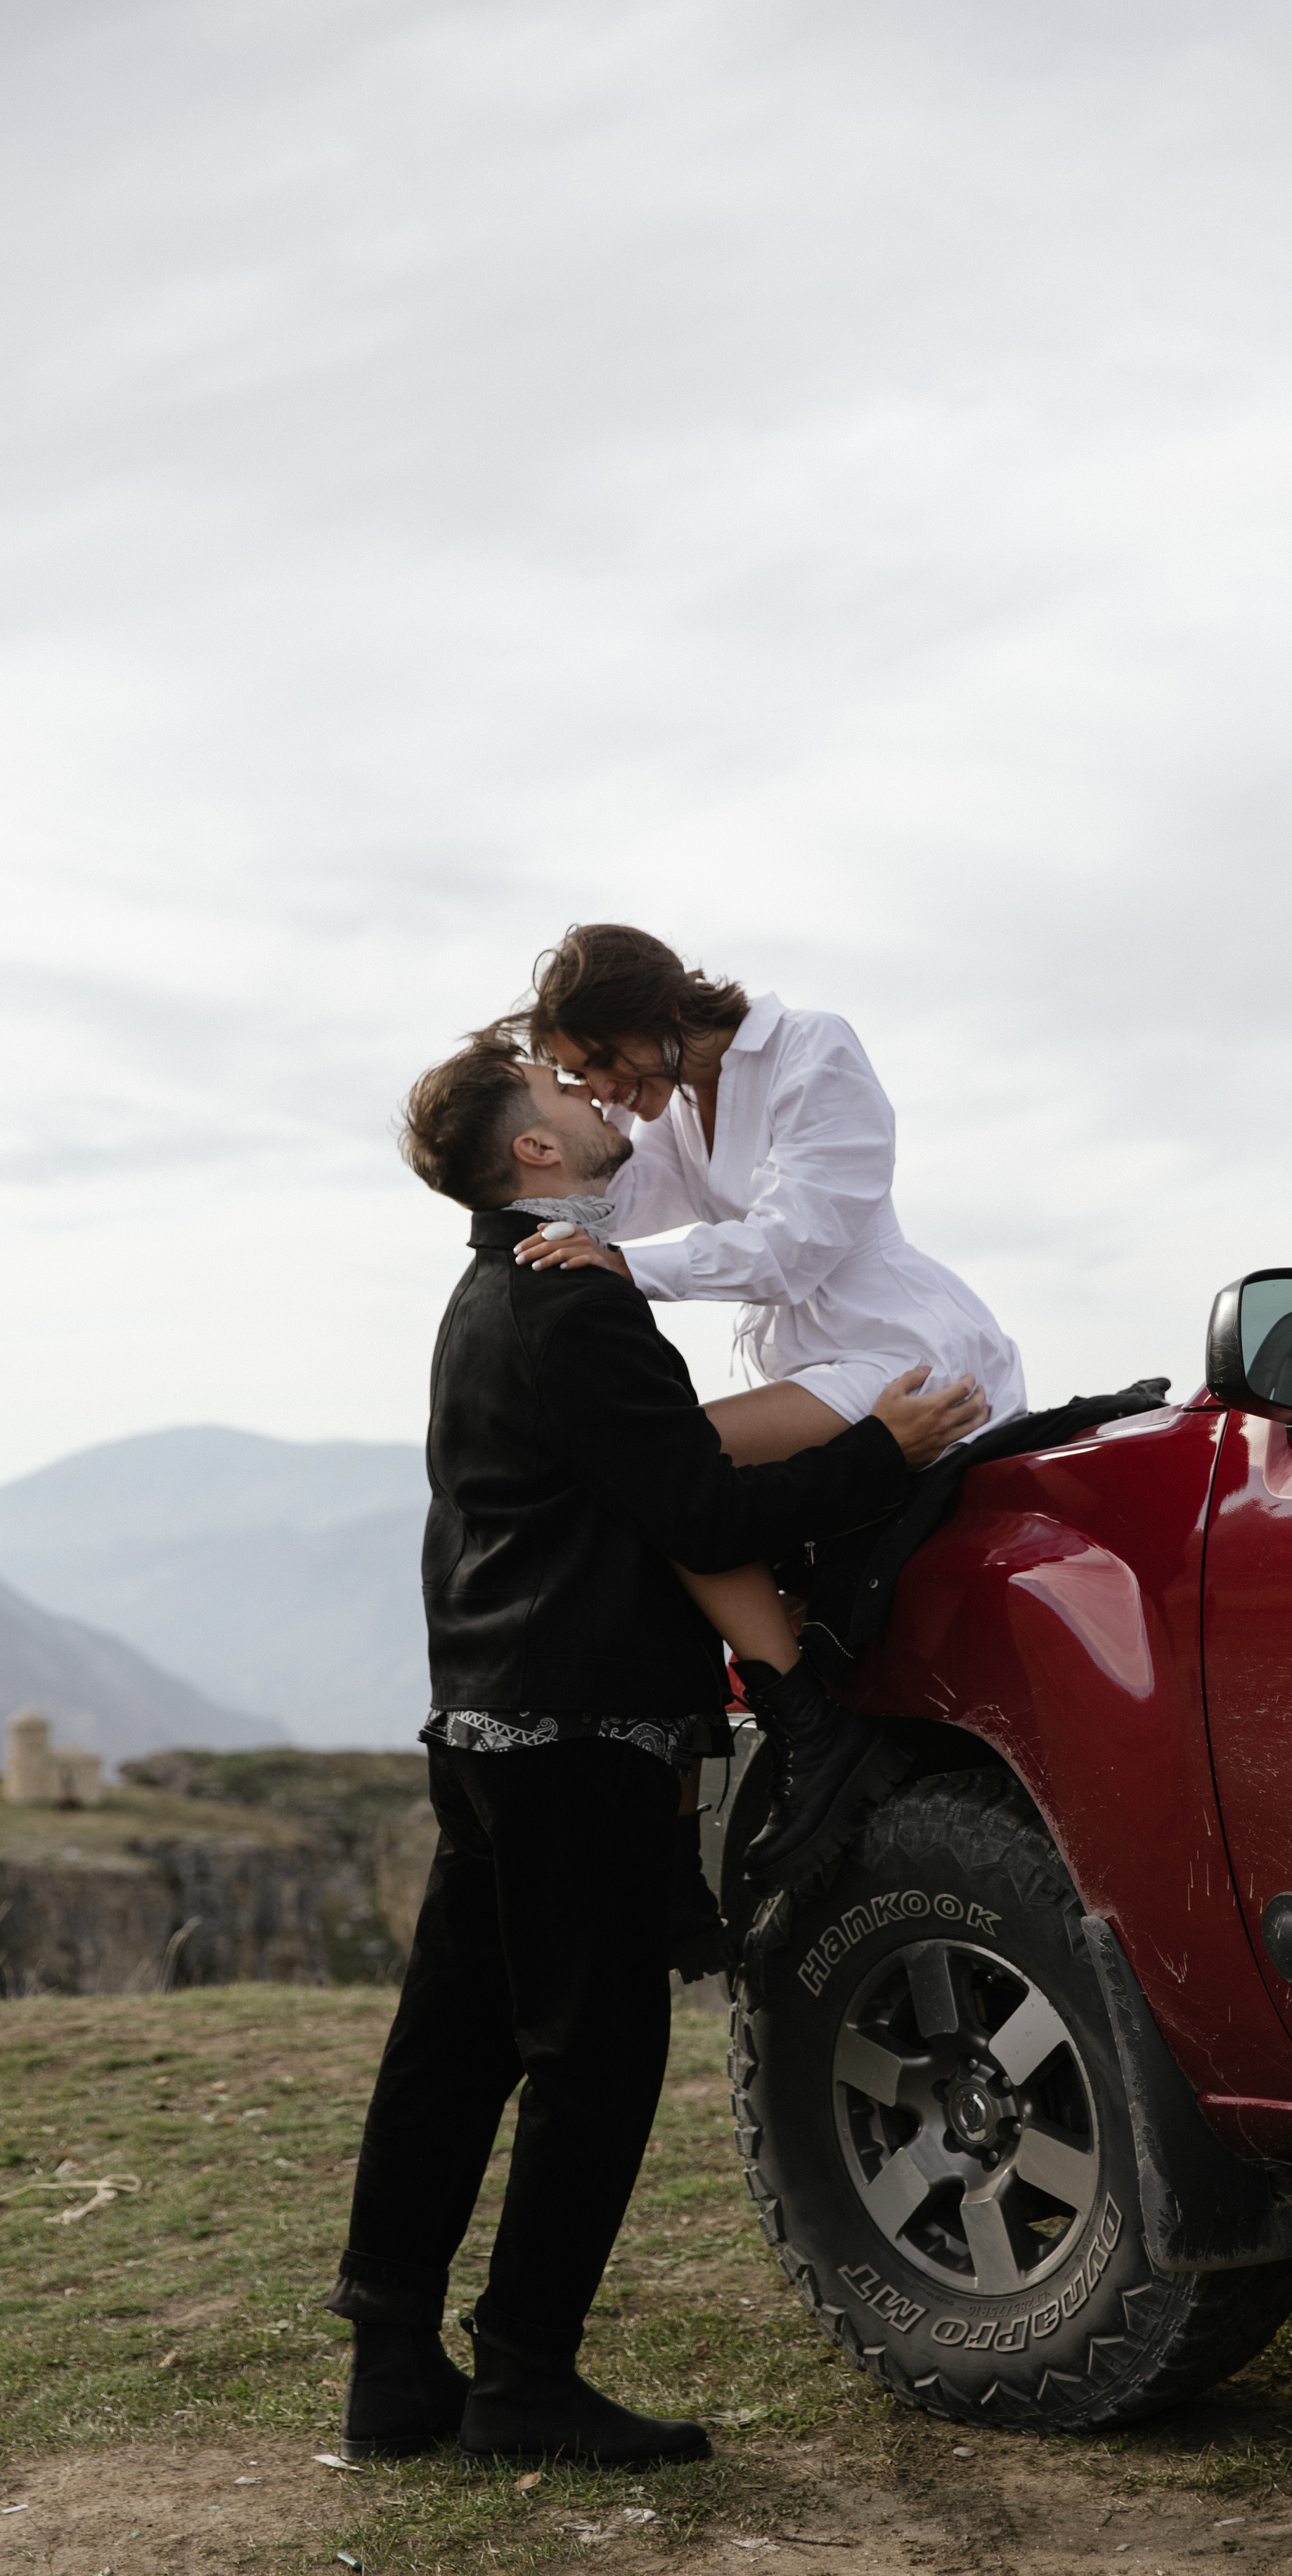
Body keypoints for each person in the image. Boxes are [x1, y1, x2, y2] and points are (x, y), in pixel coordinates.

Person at [328, 1035, 986, 2468]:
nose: (588, 1100)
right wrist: (879, 1449)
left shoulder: (482, 1295)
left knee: (453, 2045)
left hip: (485, 1719)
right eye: (562, 1094)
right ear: (533, 1153)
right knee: (595, 2059)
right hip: (579, 1729)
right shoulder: (576, 1303)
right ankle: (523, 2378)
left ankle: (391, 2364)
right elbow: (698, 1512)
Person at [511, 922, 1025, 1880]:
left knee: (669, 1473)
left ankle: (810, 1733)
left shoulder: (812, 1050)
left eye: (607, 1060)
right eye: (582, 1075)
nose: (606, 1089)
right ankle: (755, 1733)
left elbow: (795, 1247)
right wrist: (510, 1168)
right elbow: (617, 1202)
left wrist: (624, 1271)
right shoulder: (675, 1105)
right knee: (666, 1487)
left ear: (664, 1010)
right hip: (812, 1364)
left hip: (901, 1354)